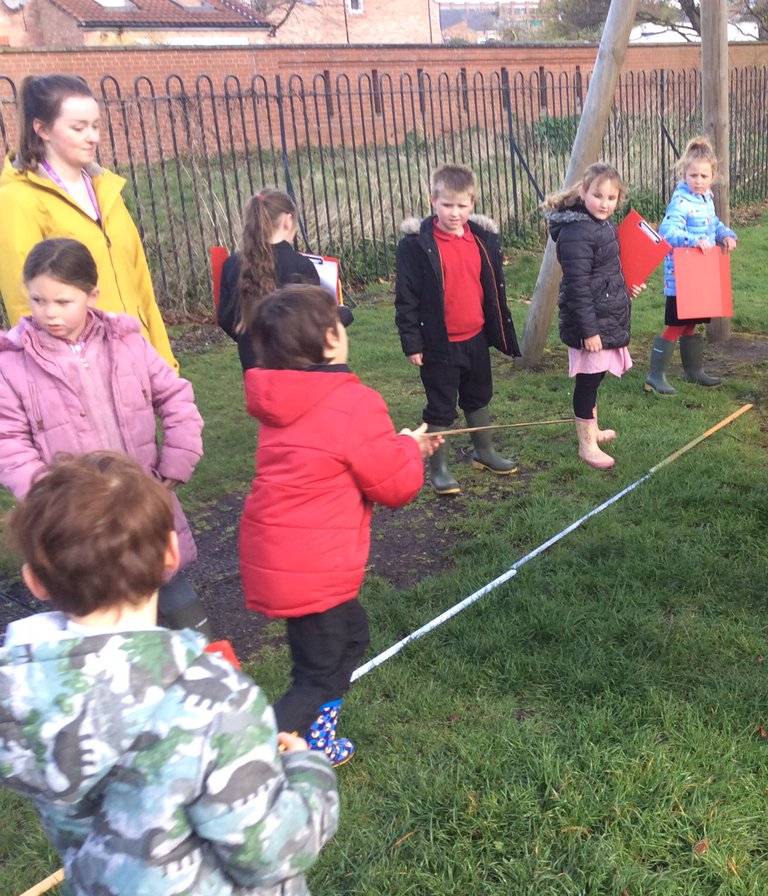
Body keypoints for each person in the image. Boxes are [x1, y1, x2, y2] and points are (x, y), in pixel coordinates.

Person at [0, 451, 339, 895]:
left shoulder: (20, 696)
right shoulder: (213, 697)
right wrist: (308, 770)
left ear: (34, 581)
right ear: (170, 552)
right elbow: (269, 852)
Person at [240, 284, 440, 766]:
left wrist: (395, 447)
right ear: (330, 341)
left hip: (283, 553)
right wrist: (409, 450)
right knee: (316, 674)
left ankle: (318, 738)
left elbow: (339, 454)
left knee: (351, 637)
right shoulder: (353, 401)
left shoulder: (284, 399)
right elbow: (393, 486)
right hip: (313, 562)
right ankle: (248, 760)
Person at [0, 237, 208, 633]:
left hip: (139, 498)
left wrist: (178, 458)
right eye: (38, 301)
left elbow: (174, 395)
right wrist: (51, 497)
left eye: (63, 302)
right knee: (97, 608)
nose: (49, 313)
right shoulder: (12, 365)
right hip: (79, 518)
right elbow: (8, 443)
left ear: (92, 295)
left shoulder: (127, 341)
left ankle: (201, 663)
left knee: (171, 589)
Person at [0, 74, 177, 371]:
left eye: (95, 126)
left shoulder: (105, 189)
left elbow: (141, 284)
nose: (93, 137)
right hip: (82, 377)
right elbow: (25, 304)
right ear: (42, 129)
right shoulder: (17, 200)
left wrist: (164, 363)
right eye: (78, 128)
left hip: (136, 363)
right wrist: (64, 379)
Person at [395, 164, 521, 496]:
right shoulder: (415, 247)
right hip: (439, 344)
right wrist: (413, 342)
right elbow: (406, 297)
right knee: (441, 406)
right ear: (433, 200)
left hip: (475, 338)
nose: (455, 213)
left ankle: (484, 451)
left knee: (478, 396)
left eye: (462, 206)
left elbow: (492, 288)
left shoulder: (482, 241)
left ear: (472, 203)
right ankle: (440, 468)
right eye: (447, 205)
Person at [544, 162, 644, 469]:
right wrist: (589, 332)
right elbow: (577, 287)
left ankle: (593, 429)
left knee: (595, 378)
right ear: (583, 192)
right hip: (589, 322)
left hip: (603, 315)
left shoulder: (602, 225)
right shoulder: (577, 233)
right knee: (587, 382)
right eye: (598, 195)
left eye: (611, 198)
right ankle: (586, 444)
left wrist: (627, 288)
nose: (605, 203)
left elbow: (604, 273)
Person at [644, 136, 737, 395]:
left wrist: (727, 235)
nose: (698, 180)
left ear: (713, 177)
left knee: (691, 323)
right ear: (684, 174)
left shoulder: (706, 199)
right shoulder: (681, 200)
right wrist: (693, 240)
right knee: (676, 323)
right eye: (693, 175)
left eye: (704, 176)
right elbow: (667, 231)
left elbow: (714, 224)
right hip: (681, 278)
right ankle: (655, 375)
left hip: (700, 274)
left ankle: (693, 371)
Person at [218, 188, 321, 371]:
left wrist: (247, 339)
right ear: (288, 221)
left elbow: (226, 318)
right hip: (297, 368)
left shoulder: (231, 265)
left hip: (253, 369)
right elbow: (315, 321)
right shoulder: (301, 266)